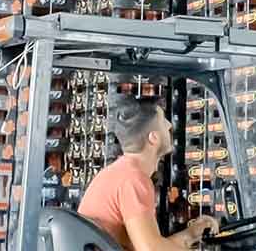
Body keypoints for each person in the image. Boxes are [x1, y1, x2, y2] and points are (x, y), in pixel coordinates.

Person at [76, 97, 216, 250]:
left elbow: (151, 245)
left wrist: (192, 234)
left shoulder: (115, 174)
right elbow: (151, 249)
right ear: (153, 138)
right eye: (164, 121)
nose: (169, 125)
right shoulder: (133, 180)